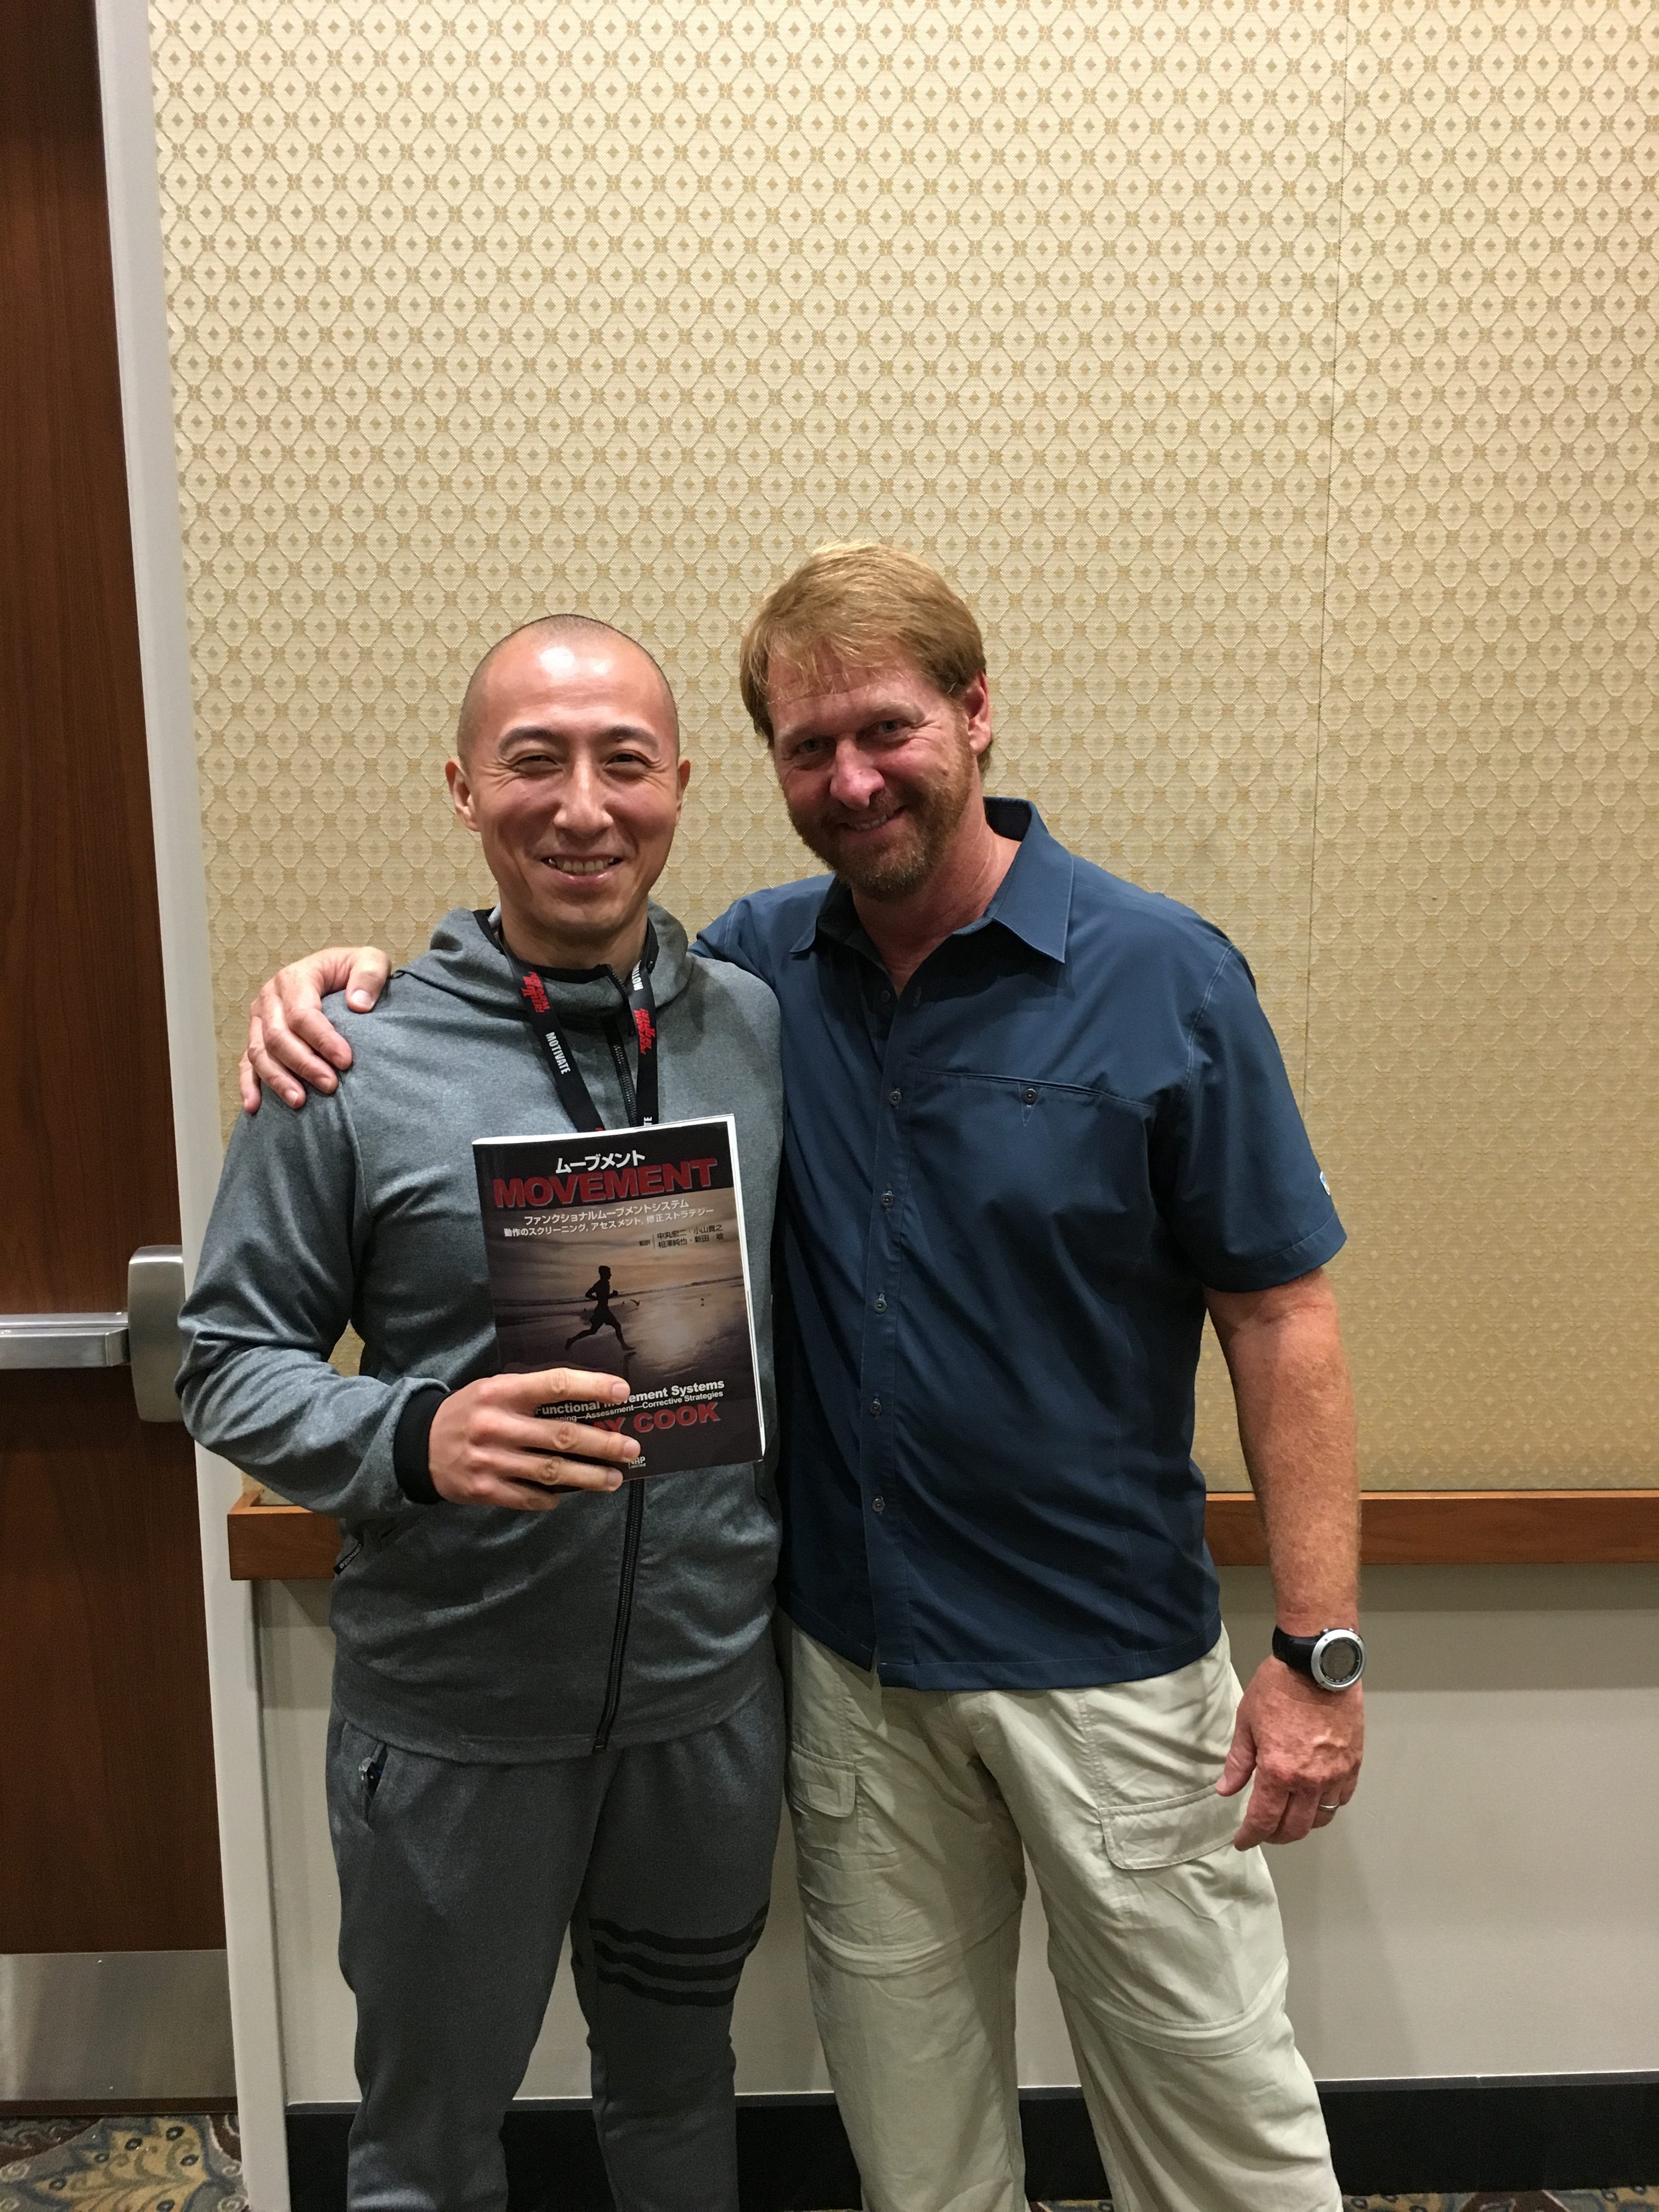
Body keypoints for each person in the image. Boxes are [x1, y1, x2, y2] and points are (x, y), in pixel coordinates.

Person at [241, 549, 1364, 2212]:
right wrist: (340, 984)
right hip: (853, 1673)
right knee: (916, 2153)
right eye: (810, 744)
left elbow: (1282, 1316)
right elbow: (533, 991)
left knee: (1224, 2135)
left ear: (976, 715)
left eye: (887, 729)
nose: (851, 779)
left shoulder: (1149, 976)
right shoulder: (752, 983)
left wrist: (1318, 1653)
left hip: (1111, 1666)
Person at [180, 616, 786, 2212]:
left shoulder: (757, 1025)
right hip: (456, 1731)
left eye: (624, 762)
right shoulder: (348, 1060)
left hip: (704, 1713)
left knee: (679, 2095)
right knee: (427, 2152)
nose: (583, 806)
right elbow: (224, 1356)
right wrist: (412, 1440)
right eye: (535, 762)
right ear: (462, 789)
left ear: (681, 786)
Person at [568, 1263, 632, 1352]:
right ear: (604, 1274)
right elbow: (603, 1297)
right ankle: (623, 1346)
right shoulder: (603, 1284)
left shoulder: (600, 1283)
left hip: (601, 1310)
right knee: (617, 1326)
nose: (611, 1275)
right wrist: (613, 1295)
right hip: (603, 1311)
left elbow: (589, 1294)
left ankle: (572, 1340)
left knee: (593, 1331)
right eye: (609, 1273)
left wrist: (598, 1298)